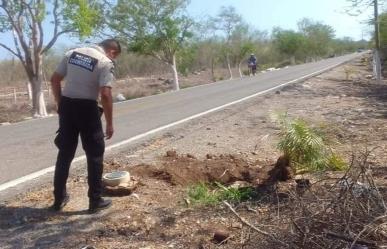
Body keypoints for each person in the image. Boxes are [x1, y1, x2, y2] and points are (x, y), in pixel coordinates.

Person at [50, 39, 121, 213]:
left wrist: (60, 104)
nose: (114, 59)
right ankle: (94, 201)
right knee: (95, 154)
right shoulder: (105, 62)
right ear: (111, 52)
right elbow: (105, 94)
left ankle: (58, 199)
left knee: (65, 154)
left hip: (67, 106)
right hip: (87, 109)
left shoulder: (71, 53)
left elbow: (54, 80)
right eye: (116, 56)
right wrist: (110, 123)